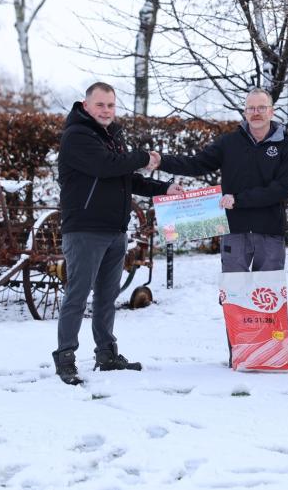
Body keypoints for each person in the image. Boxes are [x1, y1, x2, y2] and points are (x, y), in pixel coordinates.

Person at [148, 88, 288, 365]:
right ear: (244, 112)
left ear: (271, 111)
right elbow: (197, 163)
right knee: (235, 295)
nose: (256, 112)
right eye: (251, 108)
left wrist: (238, 200)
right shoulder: (230, 142)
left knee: (270, 295)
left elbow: (281, 189)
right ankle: (239, 354)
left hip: (270, 232)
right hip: (234, 231)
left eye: (261, 107)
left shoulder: (285, 145)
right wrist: (163, 161)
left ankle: (268, 356)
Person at [52, 82, 183, 385]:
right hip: (85, 230)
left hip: (115, 230)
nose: (106, 111)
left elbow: (125, 178)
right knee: (77, 295)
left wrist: (164, 189)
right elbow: (105, 166)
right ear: (86, 106)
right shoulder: (77, 136)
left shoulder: (113, 136)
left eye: (111, 105)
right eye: (100, 105)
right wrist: (142, 156)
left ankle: (106, 354)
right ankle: (66, 358)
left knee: (107, 297)